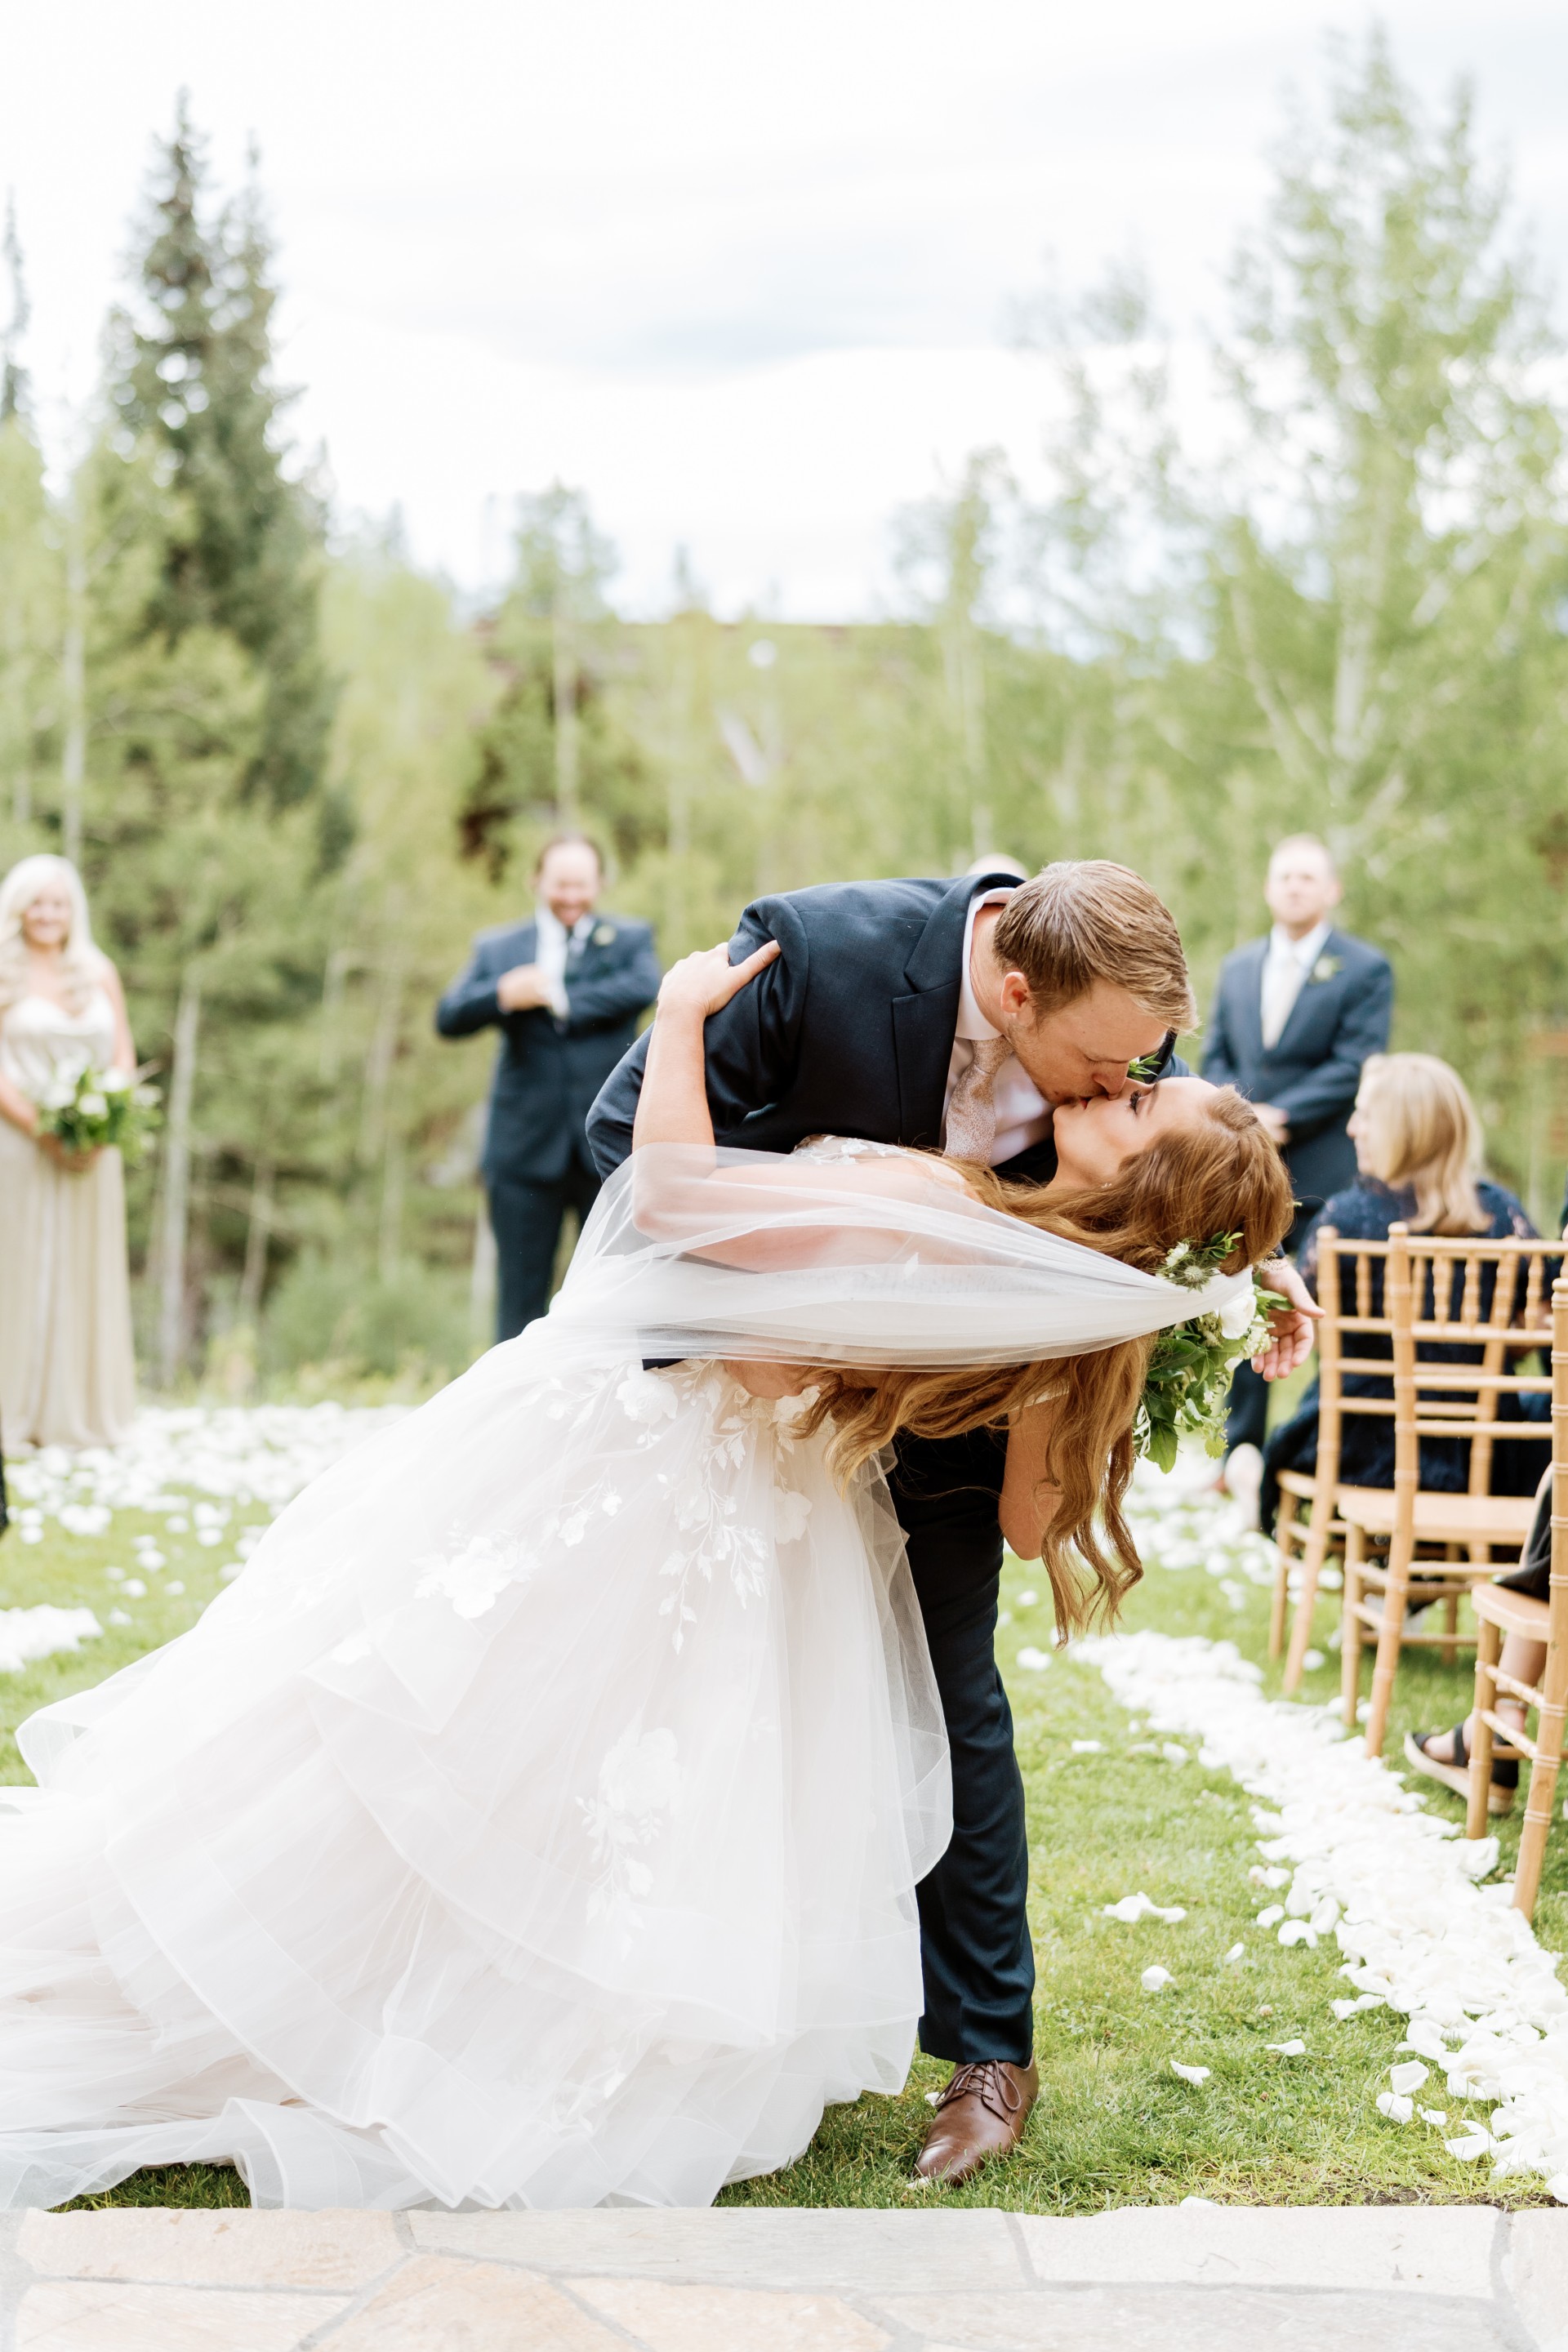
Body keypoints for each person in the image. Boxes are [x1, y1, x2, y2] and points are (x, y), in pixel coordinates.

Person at [0, 933, 1294, 2214]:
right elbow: (1029, 1524)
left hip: (645, 1449)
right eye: (1133, 1072)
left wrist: (678, 1019)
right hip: (771, 1510)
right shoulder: (1069, 1326)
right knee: (575, 1770)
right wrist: (1177, 1312)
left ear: (1145, 1194)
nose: (1125, 1077)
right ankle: (440, 2000)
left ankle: (330, 1979)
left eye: (1140, 1100)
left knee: (469, 1735)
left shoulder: (952, 1206)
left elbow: (676, 1209)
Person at [587, 859, 1317, 2183]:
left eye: (1140, 1067)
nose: (1115, 1082)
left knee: (951, 1688)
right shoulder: (814, 950)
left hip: (990, 1369)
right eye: (1108, 1065)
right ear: (1021, 991)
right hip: (781, 1355)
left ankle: (990, 2049)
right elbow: (622, 1145)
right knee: (700, 1679)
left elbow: (1174, 1177)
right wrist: (788, 1319)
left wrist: (1242, 1276)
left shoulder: (1118, 1019)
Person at [1261, 1054, 1551, 1536]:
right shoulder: (1503, 1216)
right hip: (1480, 1454)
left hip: (1362, 1448)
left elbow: (1296, 1310)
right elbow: (1543, 1318)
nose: (1353, 1128)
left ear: (1406, 1128)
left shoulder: (1347, 1217)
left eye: (1366, 1115)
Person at [1202, 835, 1392, 1465]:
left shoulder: (1365, 969)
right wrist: (1244, 1115)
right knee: (1248, 1300)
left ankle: (1323, 1451)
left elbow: (1354, 1063)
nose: (1294, 886)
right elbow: (1217, 1056)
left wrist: (1283, 1115)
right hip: (1244, 1167)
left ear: (1331, 890)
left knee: (1321, 1311)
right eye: (1284, 876)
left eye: (1308, 877)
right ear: (1267, 887)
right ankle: (1242, 1453)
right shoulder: (1237, 968)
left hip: (1320, 1168)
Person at [436, 834, 659, 1339]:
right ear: (536, 881)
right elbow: (448, 1017)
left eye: (581, 884)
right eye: (561, 884)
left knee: (613, 1287)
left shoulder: (629, 941)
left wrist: (560, 998)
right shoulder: (498, 949)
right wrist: (501, 995)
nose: (571, 896)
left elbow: (647, 987)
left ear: (599, 884)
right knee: (520, 1294)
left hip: (605, 1147)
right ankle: (516, 1410)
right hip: (522, 1149)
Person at [0, 856, 137, 1450]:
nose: (47, 914)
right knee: (18, 1265)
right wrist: (42, 1129)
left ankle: (80, 1411)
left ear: (72, 909)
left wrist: (106, 1121)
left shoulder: (99, 970)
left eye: (58, 903)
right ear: (18, 908)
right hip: (21, 1143)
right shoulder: (4, 971)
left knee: (86, 1269)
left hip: (94, 1152)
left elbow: (124, 1054)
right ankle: (17, 1410)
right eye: (37, 903)